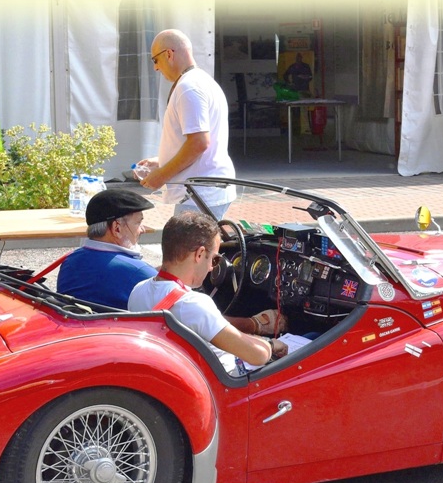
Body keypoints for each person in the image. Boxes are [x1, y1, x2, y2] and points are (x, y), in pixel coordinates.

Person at [129, 212, 287, 375]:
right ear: (199, 254)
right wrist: (271, 344)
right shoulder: (192, 304)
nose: (212, 267)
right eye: (214, 259)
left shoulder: (138, 290)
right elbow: (258, 355)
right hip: (226, 382)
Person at [135, 29, 237, 220]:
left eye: (155, 60)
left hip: (199, 194)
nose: (156, 68)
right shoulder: (202, 81)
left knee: (186, 250)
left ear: (168, 54)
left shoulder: (188, 87)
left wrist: (162, 174)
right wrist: (162, 160)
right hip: (204, 192)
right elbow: (201, 141)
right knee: (200, 249)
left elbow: (199, 143)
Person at [56, 189, 157, 309]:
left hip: (73, 325)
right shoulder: (139, 272)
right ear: (117, 228)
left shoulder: (70, 261)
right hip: (116, 327)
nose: (142, 230)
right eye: (138, 223)